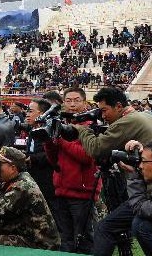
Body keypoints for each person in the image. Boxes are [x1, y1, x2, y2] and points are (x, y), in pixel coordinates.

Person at [63, 86, 152, 256]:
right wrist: (143, 156)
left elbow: (96, 149)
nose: (103, 116)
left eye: (105, 110)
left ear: (118, 106)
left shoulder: (126, 121)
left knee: (106, 228)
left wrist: (81, 130)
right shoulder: (146, 116)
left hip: (150, 192)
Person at [45, 87, 101, 253]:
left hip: (82, 192)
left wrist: (61, 139)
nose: (72, 104)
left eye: (76, 100)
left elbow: (86, 156)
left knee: (84, 239)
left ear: (85, 103)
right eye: (68, 100)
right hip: (62, 190)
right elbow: (53, 160)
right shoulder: (62, 123)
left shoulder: (91, 126)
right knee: (66, 239)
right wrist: (49, 141)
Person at [0, 146, 60, 250]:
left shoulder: (23, 186)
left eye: (0, 164)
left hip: (40, 243)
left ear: (13, 168)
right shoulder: (11, 180)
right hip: (24, 231)